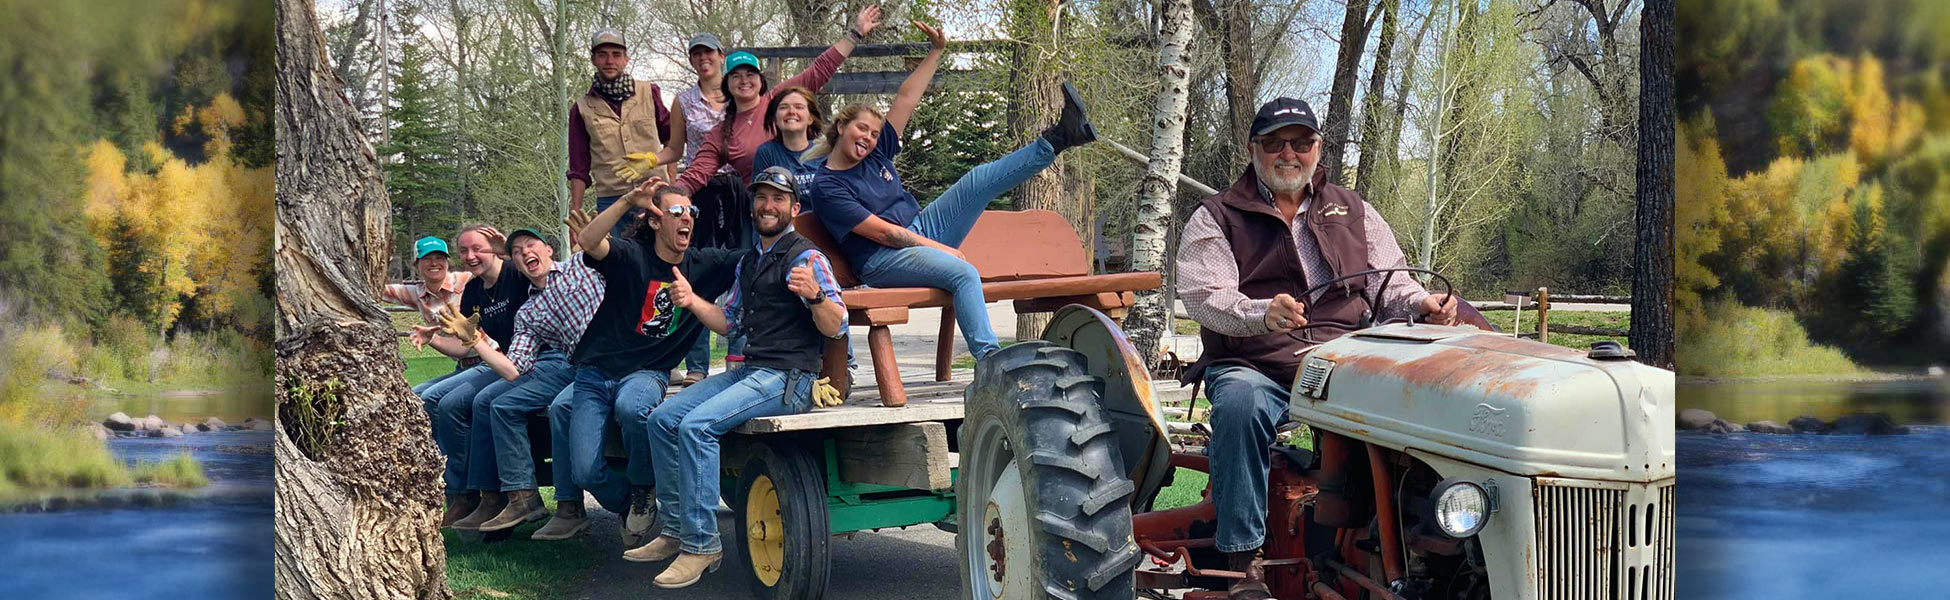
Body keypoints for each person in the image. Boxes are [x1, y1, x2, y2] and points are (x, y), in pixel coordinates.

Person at [1173, 97, 1459, 599]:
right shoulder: (1216, 216)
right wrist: (1260, 312)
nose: (1289, 154)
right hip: (1255, 360)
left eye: (1301, 142)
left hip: (1345, 357)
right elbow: (1204, 297)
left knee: (1429, 395)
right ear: (1253, 148)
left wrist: (1422, 304)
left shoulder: (1354, 210)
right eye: (1274, 143)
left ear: (1317, 148)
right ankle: (1244, 565)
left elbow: (1391, 284)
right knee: (1238, 403)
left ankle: (1420, 543)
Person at [805, 20, 1096, 363]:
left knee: (977, 181)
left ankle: (1060, 138)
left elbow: (907, 98)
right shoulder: (827, 185)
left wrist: (937, 51)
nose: (868, 139)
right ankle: (990, 362)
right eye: (861, 130)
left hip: (922, 229)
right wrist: (942, 250)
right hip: (881, 260)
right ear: (841, 127)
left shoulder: (876, 154)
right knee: (963, 272)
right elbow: (885, 234)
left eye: (873, 133)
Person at [625, 166, 846, 588]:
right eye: (761, 197)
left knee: (696, 427)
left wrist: (815, 296)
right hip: (753, 369)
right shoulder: (750, 262)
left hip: (789, 378)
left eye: (778, 199)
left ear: (794, 209)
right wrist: (691, 301)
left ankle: (703, 544)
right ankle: (675, 530)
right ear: (752, 205)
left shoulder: (806, 257)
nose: (768, 205)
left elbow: (837, 326)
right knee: (662, 419)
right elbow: (729, 322)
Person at [646, 6, 883, 384]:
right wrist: (668, 198)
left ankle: (842, 364)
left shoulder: (780, 104)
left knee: (822, 284)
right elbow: (697, 172)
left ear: (760, 80)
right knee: (760, 288)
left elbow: (819, 71)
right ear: (728, 84)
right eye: (736, 75)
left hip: (808, 214)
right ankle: (750, 358)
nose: (744, 81)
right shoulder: (722, 131)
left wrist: (854, 34)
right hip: (761, 216)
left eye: (750, 74)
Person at [565, 177, 745, 547]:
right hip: (595, 373)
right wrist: (629, 199)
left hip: (648, 371)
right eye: (676, 211)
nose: (687, 218)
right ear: (654, 220)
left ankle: (645, 490)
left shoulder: (703, 265)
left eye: (691, 212)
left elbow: (757, 254)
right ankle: (629, 498)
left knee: (635, 408)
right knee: (584, 471)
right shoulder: (632, 256)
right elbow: (587, 242)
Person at [451, 222, 605, 536]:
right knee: (500, 404)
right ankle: (522, 496)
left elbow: (610, 255)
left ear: (550, 248)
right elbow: (512, 369)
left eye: (532, 246)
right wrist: (474, 340)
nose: (525, 254)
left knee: (562, 408)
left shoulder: (580, 266)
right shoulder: (529, 310)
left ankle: (570, 505)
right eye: (517, 253)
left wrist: (511, 246)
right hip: (575, 367)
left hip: (611, 362)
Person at [410, 225, 532, 527]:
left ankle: (478, 495)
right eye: (464, 251)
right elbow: (466, 347)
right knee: (427, 398)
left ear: (495, 249)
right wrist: (433, 339)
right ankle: (459, 493)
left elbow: (538, 270)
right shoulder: (475, 291)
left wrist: (510, 252)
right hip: (497, 361)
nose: (470, 256)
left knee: (452, 402)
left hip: (527, 363)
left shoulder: (516, 276)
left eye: (477, 248)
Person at [566, 27, 673, 237]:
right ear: (593, 60)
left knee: (663, 254)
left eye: (616, 55)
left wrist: (671, 178)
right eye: (602, 55)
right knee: (617, 260)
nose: (609, 61)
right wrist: (576, 214)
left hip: (655, 191)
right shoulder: (582, 109)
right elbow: (578, 168)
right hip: (611, 200)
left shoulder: (649, 92)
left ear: (626, 59)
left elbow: (671, 137)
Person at [384, 235, 473, 394]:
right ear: (416, 264)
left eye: (439, 257)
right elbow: (381, 291)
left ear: (447, 262)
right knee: (416, 395)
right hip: (463, 366)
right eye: (427, 258)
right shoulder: (417, 293)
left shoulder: (468, 281)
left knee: (436, 398)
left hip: (488, 361)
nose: (434, 263)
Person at [751, 85, 826, 206]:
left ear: (810, 119)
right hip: (784, 222)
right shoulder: (767, 153)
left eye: (799, 107)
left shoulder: (825, 151)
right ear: (775, 118)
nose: (791, 112)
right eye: (784, 107)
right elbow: (761, 200)